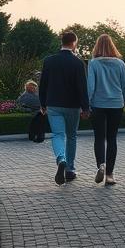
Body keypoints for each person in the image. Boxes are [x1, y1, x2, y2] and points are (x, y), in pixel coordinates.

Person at [39, 31, 89, 185]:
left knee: (57, 135)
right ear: (74, 43)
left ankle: (61, 159)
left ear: (61, 42)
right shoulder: (78, 63)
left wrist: (42, 103)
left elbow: (43, 84)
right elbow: (82, 88)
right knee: (71, 136)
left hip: (53, 104)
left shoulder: (49, 61)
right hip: (72, 106)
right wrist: (85, 108)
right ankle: (70, 170)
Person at [87, 34, 125, 185]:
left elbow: (90, 87)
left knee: (99, 137)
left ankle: (101, 164)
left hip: (98, 105)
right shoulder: (120, 64)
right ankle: (110, 175)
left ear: (97, 46)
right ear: (112, 46)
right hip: (116, 105)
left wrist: (86, 105)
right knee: (112, 138)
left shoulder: (93, 63)